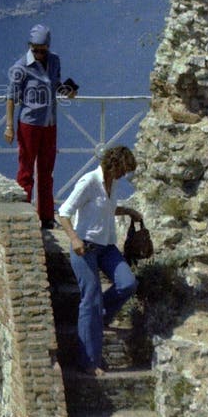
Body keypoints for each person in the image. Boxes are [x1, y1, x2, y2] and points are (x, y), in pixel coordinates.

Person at [58, 145, 142, 376]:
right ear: (113, 165)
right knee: (90, 299)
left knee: (128, 283)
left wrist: (127, 211)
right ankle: (89, 362)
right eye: (122, 170)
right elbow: (63, 212)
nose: (123, 176)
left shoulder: (112, 183)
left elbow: (107, 208)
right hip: (84, 247)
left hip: (107, 247)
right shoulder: (89, 181)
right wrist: (74, 239)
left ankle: (101, 316)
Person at [5, 24, 77, 228]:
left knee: (46, 171)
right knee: (26, 171)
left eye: (41, 49)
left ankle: (46, 216)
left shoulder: (54, 61)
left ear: (48, 46)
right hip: (30, 124)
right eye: (33, 48)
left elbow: (56, 85)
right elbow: (11, 98)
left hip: (49, 123)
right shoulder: (20, 67)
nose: (37, 52)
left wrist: (68, 91)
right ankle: (24, 214)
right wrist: (9, 126)